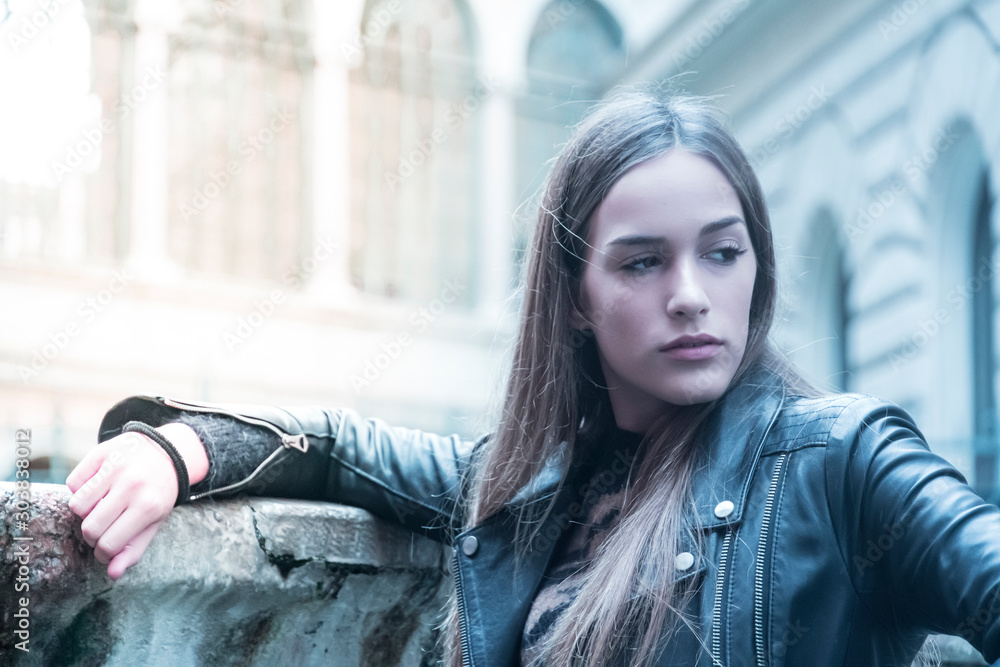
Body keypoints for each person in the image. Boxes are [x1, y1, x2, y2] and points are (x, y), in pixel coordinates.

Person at [66, 89, 1000, 667]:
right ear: (574, 298)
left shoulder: (841, 459)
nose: (691, 295)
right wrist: (175, 450)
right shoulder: (526, 491)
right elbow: (341, 449)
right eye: (642, 262)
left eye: (723, 252)